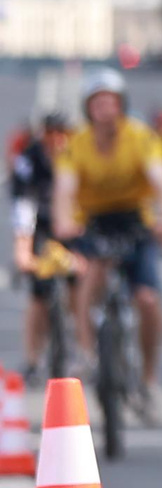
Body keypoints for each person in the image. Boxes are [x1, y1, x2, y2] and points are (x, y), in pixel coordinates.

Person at [51, 70, 162, 420]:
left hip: (136, 220)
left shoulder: (141, 137)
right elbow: (64, 188)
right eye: (98, 102)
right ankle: (87, 352)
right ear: (88, 109)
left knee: (148, 299)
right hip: (95, 220)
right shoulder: (76, 143)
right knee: (90, 275)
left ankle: (149, 379)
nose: (106, 109)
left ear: (122, 106)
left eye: (112, 102)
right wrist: (64, 222)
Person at [10, 113, 71, 377]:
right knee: (38, 295)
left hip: (73, 222)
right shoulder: (29, 159)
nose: (56, 140)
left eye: (62, 133)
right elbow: (23, 204)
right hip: (40, 225)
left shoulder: (78, 154)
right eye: (51, 133)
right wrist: (22, 248)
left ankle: (88, 352)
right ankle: (33, 358)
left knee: (84, 283)